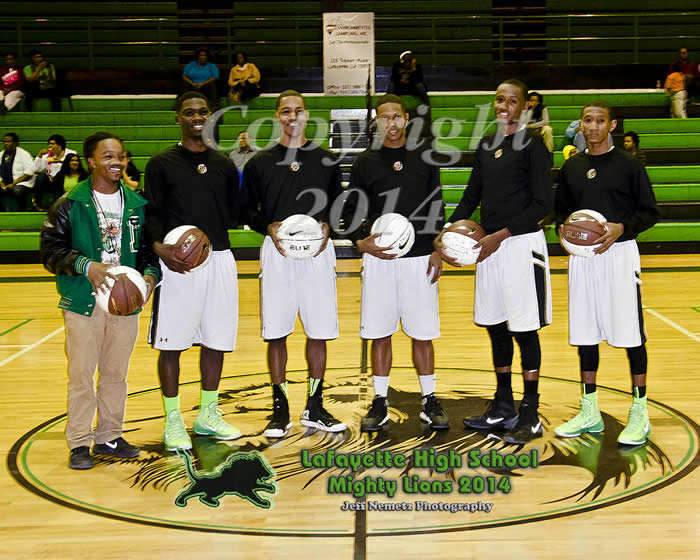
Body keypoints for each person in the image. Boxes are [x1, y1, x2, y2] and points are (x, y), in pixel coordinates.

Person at [435, 79, 553, 445]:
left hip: (520, 245)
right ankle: (503, 403)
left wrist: (498, 236)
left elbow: (544, 207)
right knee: (497, 326)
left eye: (512, 100)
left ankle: (530, 411)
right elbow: (472, 195)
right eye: (500, 99)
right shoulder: (487, 144)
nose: (505, 105)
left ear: (523, 107)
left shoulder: (534, 146)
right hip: (489, 248)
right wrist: (447, 235)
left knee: (524, 329)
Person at [39, 131, 160, 470]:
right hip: (83, 303)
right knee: (81, 375)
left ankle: (109, 435)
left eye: (120, 156)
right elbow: (50, 251)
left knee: (115, 375)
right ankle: (79, 442)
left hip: (125, 305)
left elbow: (150, 252)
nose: (116, 162)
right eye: (108, 157)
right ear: (91, 161)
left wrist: (149, 277)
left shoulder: (138, 205)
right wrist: (85, 265)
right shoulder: (69, 203)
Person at [554, 100, 660, 446]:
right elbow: (561, 214)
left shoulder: (629, 165)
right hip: (582, 260)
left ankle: (640, 412)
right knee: (585, 334)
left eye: (600, 121)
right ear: (581, 125)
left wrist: (621, 228)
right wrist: (563, 232)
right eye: (588, 120)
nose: (594, 126)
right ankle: (590, 411)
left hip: (619, 255)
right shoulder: (572, 167)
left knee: (631, 335)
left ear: (612, 125)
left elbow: (650, 212)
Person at [243, 89, 346, 438]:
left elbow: (338, 204)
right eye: (285, 111)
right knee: (277, 333)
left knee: (319, 332)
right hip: (278, 254)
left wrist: (329, 226)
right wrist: (266, 227)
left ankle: (315, 406)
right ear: (277, 116)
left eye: (298, 110)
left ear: (306, 115)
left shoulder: (326, 160)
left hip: (317, 253)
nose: (292, 116)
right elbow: (246, 210)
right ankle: (280, 409)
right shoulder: (259, 163)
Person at [144, 91, 243, 452]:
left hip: (219, 258)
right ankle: (173, 420)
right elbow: (149, 215)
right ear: (178, 118)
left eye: (203, 111)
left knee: (216, 340)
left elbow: (235, 214)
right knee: (172, 343)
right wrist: (158, 248)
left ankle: (207, 414)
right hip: (178, 264)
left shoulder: (224, 165)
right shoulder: (160, 164)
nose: (197, 116)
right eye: (189, 112)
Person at [349, 93, 448, 432]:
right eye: (384, 117)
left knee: (423, 333)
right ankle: (379, 402)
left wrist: (438, 249)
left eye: (396, 116)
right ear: (376, 122)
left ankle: (429, 399)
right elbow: (352, 209)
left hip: (420, 258)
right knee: (381, 333)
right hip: (381, 259)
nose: (391, 123)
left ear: (406, 119)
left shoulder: (424, 158)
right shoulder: (365, 163)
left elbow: (437, 205)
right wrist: (359, 240)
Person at [0, 132, 34, 211]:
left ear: (15, 143)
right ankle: (2, 211)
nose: (5, 144)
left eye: (8, 141)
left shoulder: (24, 154)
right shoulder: (1, 155)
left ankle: (22, 210)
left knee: (17, 191)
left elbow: (29, 172)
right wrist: (1, 183)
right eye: (4, 142)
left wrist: (13, 184)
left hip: (20, 183)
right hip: (4, 184)